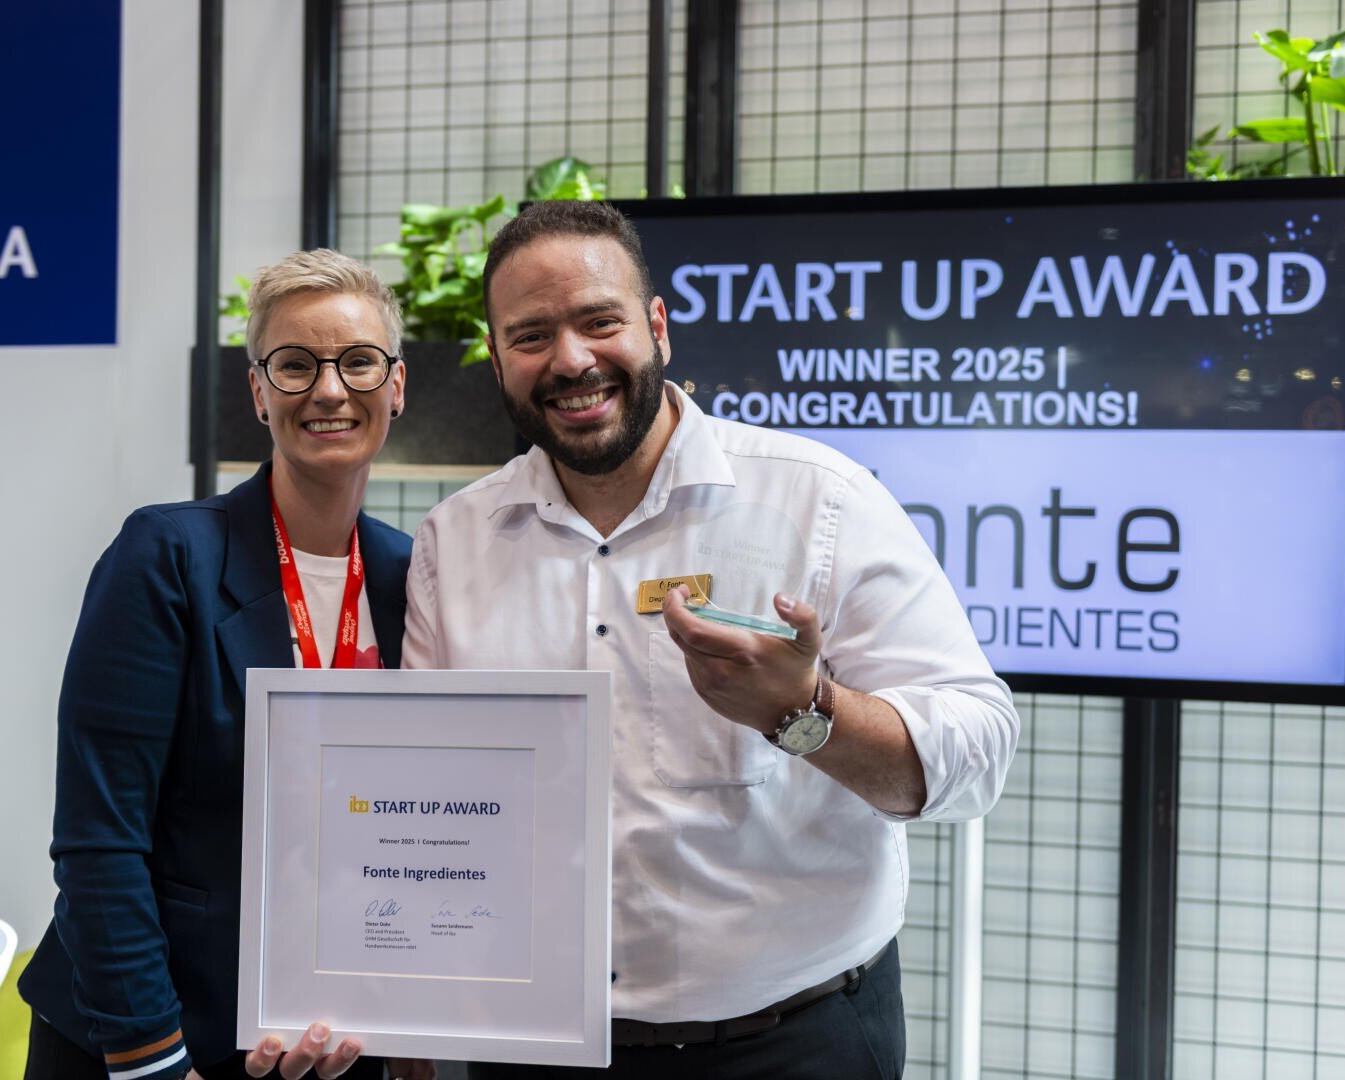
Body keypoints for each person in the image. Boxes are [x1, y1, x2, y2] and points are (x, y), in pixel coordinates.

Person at [400, 201, 1020, 1078]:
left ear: (657, 327)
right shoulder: (452, 542)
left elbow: (980, 756)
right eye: (531, 335)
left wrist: (806, 713)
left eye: (598, 321)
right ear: (498, 360)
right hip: (538, 1045)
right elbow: (424, 794)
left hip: (795, 1044)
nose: (571, 359)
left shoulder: (821, 503)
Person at [20, 250, 431, 1080]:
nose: (328, 390)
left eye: (357, 362)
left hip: (326, 1043)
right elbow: (100, 841)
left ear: (395, 385)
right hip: (156, 1037)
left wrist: (416, 1021)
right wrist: (152, 1059)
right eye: (294, 365)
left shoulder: (412, 574)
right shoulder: (167, 555)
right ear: (257, 391)